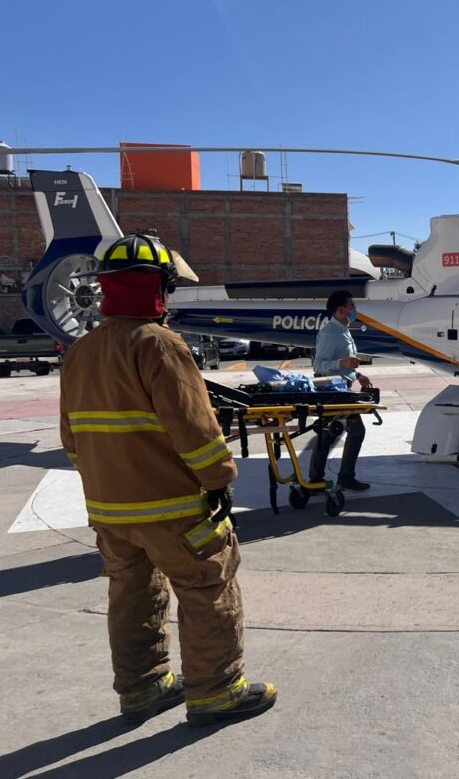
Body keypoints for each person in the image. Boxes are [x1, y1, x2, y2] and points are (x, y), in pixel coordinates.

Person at [60, 233, 276, 726]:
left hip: (109, 511)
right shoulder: (160, 344)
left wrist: (107, 484)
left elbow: (71, 438)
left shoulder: (80, 351)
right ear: (158, 287)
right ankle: (217, 691)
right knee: (207, 586)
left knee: (132, 595)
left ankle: (144, 687)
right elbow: (194, 429)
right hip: (172, 507)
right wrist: (219, 479)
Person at [308, 290, 372, 491]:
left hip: (341, 388)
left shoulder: (344, 330)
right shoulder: (329, 333)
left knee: (329, 433)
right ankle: (341, 478)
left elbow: (345, 365)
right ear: (341, 310)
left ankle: (317, 480)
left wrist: (358, 375)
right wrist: (343, 362)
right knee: (351, 431)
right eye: (352, 305)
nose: (355, 309)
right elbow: (319, 365)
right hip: (331, 390)